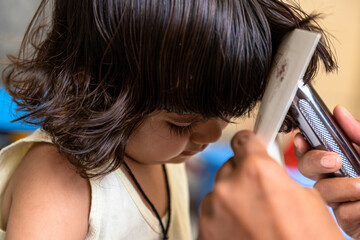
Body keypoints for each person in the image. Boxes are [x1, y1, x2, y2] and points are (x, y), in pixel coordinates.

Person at [0, 0, 342, 239]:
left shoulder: (161, 154)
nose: (210, 134)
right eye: (180, 123)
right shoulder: (59, 182)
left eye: (225, 113)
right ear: (94, 86)